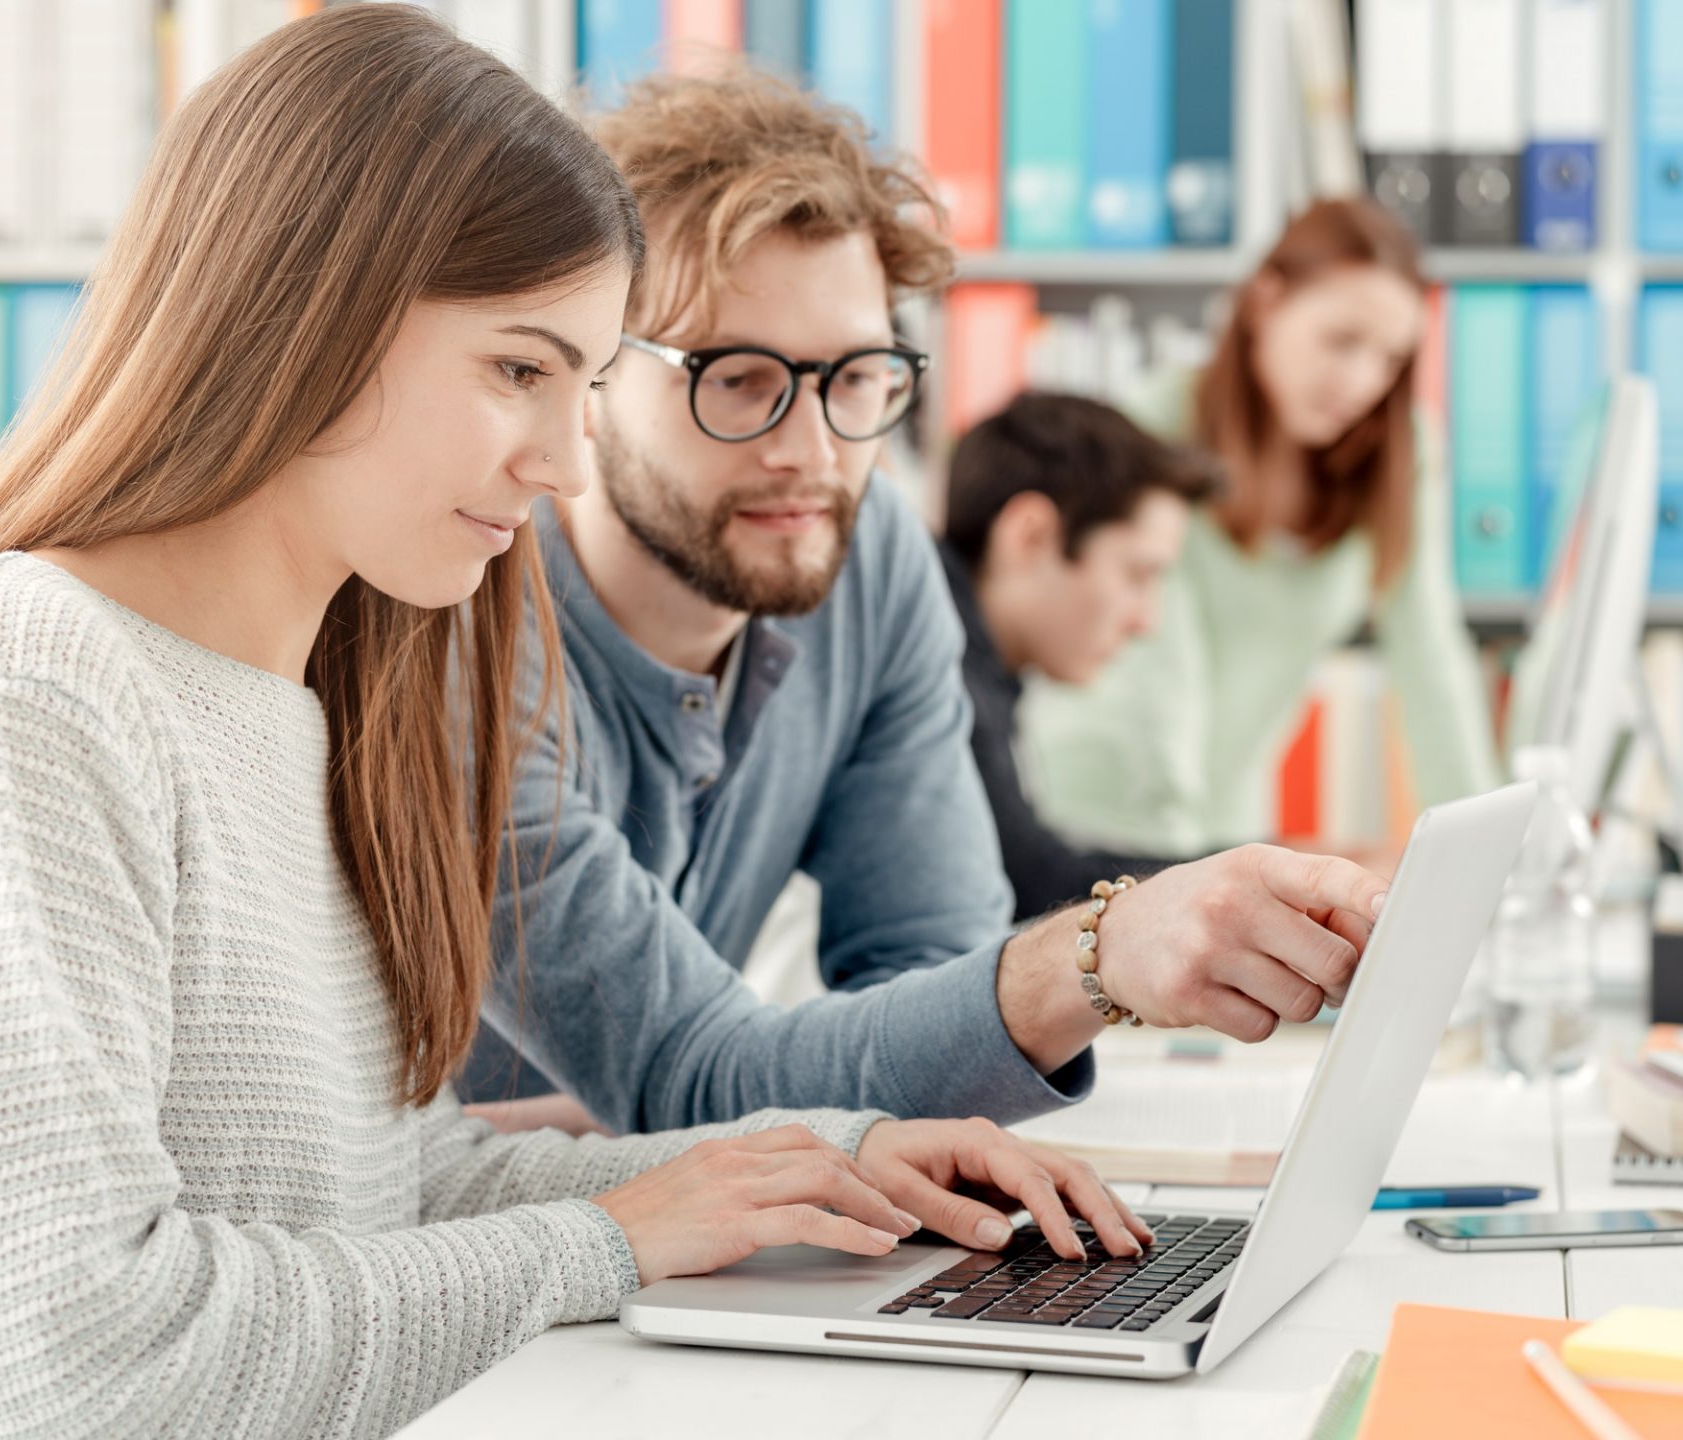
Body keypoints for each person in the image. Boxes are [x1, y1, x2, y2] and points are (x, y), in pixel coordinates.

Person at [0, 14, 1154, 1436]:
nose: (564, 459)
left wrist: (834, 1160)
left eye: (583, 386)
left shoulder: (316, 697)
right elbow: (87, 1365)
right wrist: (616, 1240)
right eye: (520, 372)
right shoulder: (23, 682)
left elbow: (404, 1185)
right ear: (307, 317)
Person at [463, 67, 1390, 1138]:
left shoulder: (865, 552)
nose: (809, 455)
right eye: (736, 378)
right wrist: (1101, 954)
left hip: (694, 1236)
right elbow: (690, 1074)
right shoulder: (467, 618)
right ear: (592, 375)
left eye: (854, 378)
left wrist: (914, 1118)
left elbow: (931, 978)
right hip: (476, 1271)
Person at [1022, 198, 1501, 862]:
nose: (1361, 381)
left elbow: (1431, 653)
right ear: (1265, 303)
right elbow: (1158, 672)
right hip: (1105, 813)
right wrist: (1188, 869)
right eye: (1342, 341)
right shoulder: (1158, 423)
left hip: (1224, 825)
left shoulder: (1402, 456)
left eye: (1389, 359)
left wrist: (1486, 853)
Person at [937, 391, 1220, 919]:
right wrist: (1264, 873)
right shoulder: (932, 668)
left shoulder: (973, 659)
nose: (1146, 621)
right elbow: (1025, 877)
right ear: (1032, 534)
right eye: (1137, 574)